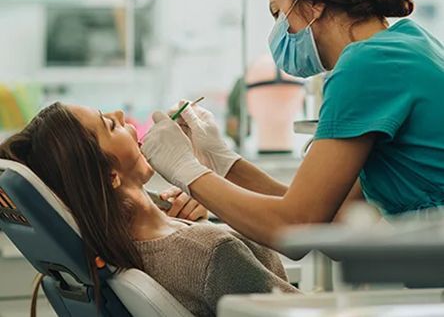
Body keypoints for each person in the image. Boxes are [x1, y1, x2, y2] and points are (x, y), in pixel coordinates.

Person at [144, 0, 444, 248]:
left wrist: (185, 170)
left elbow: (295, 226)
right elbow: (335, 219)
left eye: (278, 13)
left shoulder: (366, 65)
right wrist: (224, 163)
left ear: (314, 4)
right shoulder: (406, 44)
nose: (278, 32)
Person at [0, 102, 297, 316]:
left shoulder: (125, 248)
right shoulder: (210, 252)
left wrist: (199, 210)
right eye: (110, 125)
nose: (119, 114)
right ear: (110, 175)